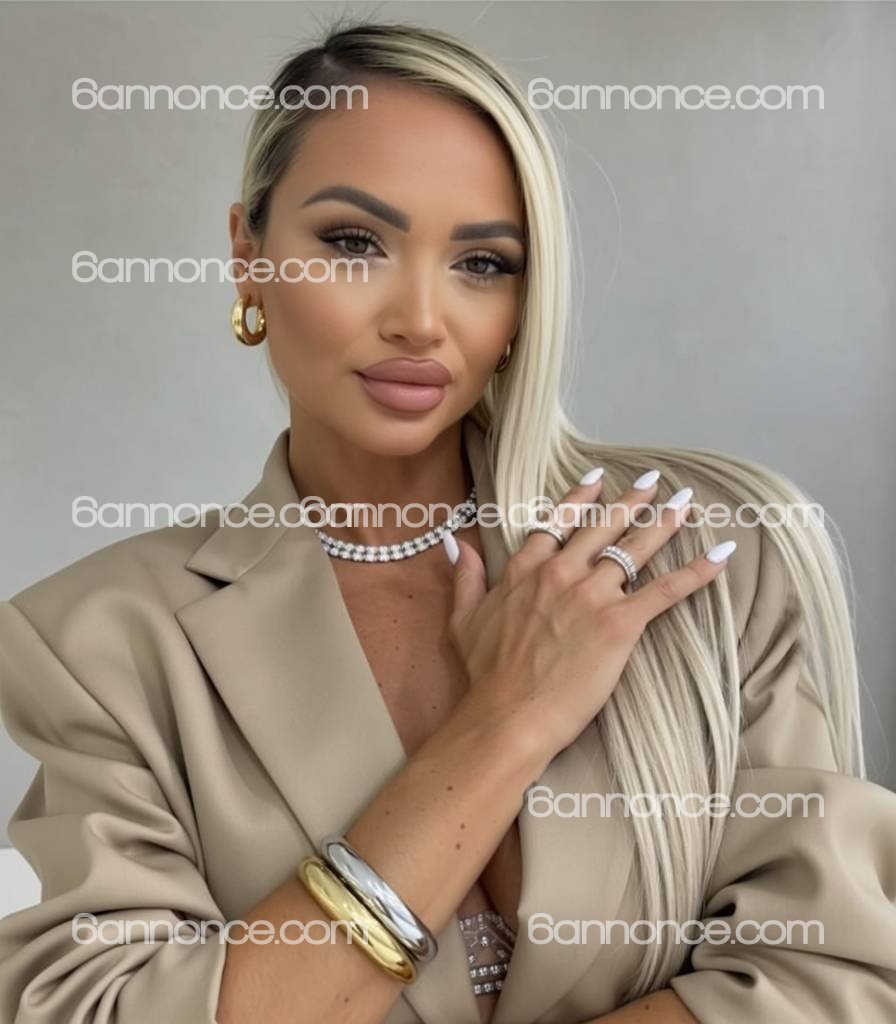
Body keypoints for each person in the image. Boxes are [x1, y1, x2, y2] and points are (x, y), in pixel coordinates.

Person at [1, 20, 895, 1024]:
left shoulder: (700, 553)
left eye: (482, 261)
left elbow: (830, 977)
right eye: (353, 243)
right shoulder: (99, 645)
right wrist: (502, 723)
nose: (421, 319)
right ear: (248, 255)